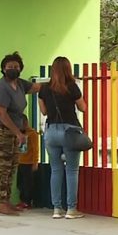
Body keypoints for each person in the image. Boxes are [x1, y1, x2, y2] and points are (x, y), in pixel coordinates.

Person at [0, 51, 41, 215]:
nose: (13, 69)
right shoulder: (1, 87)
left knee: (12, 166)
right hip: (2, 130)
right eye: (10, 66)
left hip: (15, 131)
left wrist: (58, 82)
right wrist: (18, 133)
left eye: (16, 66)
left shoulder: (19, 84)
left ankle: (7, 201)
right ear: (3, 69)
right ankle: (1, 203)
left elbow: (36, 87)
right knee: (4, 167)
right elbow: (1, 113)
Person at [38, 56, 87, 219]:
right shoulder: (72, 86)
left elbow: (44, 112)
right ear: (68, 69)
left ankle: (57, 209)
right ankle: (71, 209)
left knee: (56, 170)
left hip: (51, 131)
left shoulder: (44, 89)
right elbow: (83, 108)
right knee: (72, 170)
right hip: (69, 131)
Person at [15, 115, 40, 210]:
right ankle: (22, 200)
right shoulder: (19, 133)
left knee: (27, 184)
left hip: (28, 163)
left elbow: (35, 149)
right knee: (20, 183)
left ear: (25, 123)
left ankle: (27, 201)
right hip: (20, 162)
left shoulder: (32, 134)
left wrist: (35, 162)